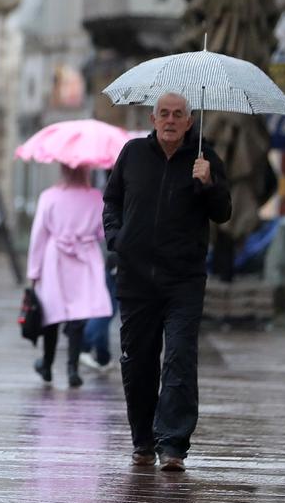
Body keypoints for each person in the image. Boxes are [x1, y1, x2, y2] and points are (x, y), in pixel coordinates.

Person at [102, 93, 231, 473]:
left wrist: (208, 184)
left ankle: (173, 443)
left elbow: (223, 213)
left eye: (178, 115)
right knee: (138, 361)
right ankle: (143, 439)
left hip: (183, 279)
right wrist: (117, 238)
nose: (171, 120)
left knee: (179, 356)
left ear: (190, 121)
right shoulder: (133, 154)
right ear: (152, 118)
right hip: (136, 277)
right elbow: (112, 201)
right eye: (164, 114)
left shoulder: (205, 158)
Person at [26, 164, 112, 388]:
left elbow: (39, 235)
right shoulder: (96, 197)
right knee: (78, 316)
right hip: (85, 258)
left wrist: (34, 271)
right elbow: (103, 232)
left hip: (54, 260)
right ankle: (72, 368)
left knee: (52, 315)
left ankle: (46, 365)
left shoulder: (49, 197)